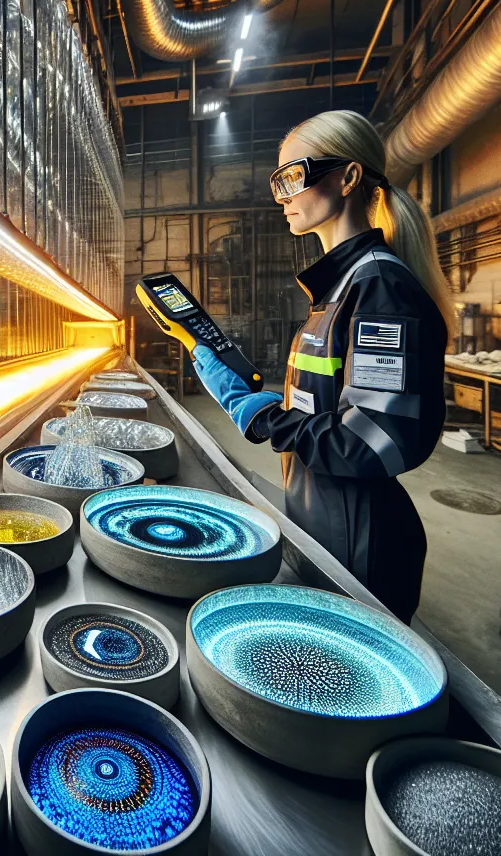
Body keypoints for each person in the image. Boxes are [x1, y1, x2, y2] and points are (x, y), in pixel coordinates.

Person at [190, 110, 455, 623]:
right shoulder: (338, 288)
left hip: (360, 541)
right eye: (277, 181)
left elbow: (371, 441)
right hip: (323, 519)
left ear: (348, 177)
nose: (281, 196)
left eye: (291, 176)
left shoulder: (378, 288)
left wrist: (262, 414)